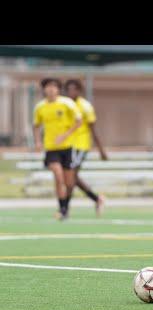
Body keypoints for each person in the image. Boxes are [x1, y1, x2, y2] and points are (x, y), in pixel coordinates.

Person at [33, 78, 82, 220]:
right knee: (58, 175)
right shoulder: (40, 107)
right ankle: (61, 209)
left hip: (67, 147)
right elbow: (36, 125)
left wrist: (65, 135)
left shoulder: (67, 103)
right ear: (44, 89)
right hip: (51, 148)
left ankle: (65, 207)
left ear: (58, 89)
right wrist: (37, 141)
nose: (51, 89)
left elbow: (79, 121)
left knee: (69, 182)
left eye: (54, 87)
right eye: (48, 87)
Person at [65, 79, 107, 217]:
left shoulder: (85, 106)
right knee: (72, 177)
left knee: (71, 177)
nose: (71, 92)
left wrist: (101, 150)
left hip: (80, 146)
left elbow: (93, 130)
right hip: (66, 146)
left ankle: (65, 208)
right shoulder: (65, 105)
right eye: (68, 89)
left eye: (73, 89)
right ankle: (97, 199)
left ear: (79, 90)